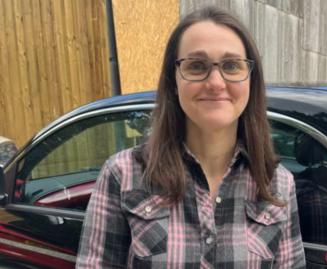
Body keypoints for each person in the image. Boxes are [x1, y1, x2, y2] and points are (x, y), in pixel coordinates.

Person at [76, 6, 305, 269]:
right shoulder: (122, 174)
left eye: (231, 65)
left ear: (251, 80)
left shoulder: (278, 184)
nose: (216, 82)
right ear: (174, 81)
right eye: (197, 66)